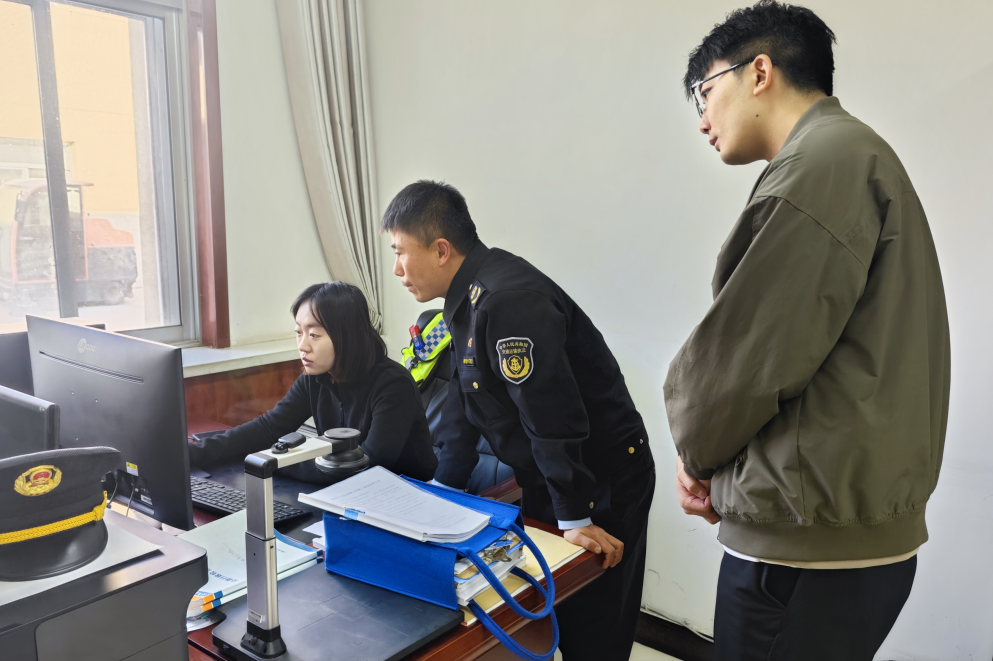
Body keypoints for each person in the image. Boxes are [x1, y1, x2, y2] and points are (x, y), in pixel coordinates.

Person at [665, 2, 951, 660]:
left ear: (759, 72)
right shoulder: (855, 155)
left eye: (705, 92)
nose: (702, 119)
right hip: (846, 535)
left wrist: (694, 456)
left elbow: (744, 362)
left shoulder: (819, 166)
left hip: (804, 552)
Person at [382, 180, 655, 661]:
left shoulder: (506, 299)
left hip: (601, 477)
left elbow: (550, 413)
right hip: (551, 475)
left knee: (594, 625)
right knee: (551, 609)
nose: (397, 269)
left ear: (441, 250)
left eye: (401, 252)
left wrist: (574, 513)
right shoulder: (464, 299)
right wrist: (442, 492)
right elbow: (466, 407)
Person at [188, 282, 437, 483]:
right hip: (344, 492)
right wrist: (196, 453)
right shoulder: (316, 378)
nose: (302, 346)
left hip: (405, 497)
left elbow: (366, 464)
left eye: (314, 335)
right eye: (299, 332)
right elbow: (268, 428)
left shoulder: (393, 385)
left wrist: (274, 461)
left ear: (347, 336)